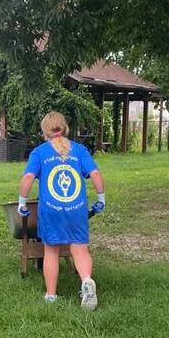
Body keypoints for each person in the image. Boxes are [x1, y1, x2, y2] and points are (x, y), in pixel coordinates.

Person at [17, 112, 105, 309]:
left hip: (51, 211)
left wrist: (22, 202)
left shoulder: (39, 152)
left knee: (51, 250)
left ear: (44, 132)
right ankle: (86, 281)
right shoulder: (79, 150)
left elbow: (28, 177)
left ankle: (51, 295)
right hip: (77, 209)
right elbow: (95, 173)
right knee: (79, 248)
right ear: (65, 128)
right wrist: (101, 198)